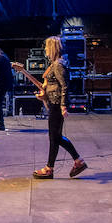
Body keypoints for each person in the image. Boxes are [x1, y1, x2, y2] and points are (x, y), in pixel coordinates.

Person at [33, 36, 87, 179]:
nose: (45, 50)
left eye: (46, 47)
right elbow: (54, 85)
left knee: (55, 137)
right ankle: (55, 167)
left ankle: (74, 161)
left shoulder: (58, 64)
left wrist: (63, 105)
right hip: (54, 102)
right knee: (55, 137)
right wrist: (43, 95)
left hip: (57, 104)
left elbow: (64, 85)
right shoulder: (56, 63)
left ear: (52, 48)